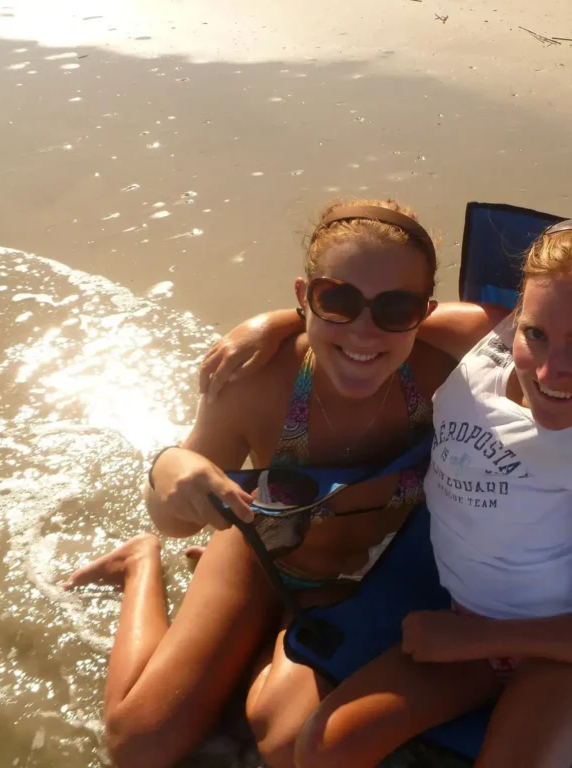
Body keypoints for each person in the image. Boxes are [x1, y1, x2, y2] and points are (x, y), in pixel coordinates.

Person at [205, 217, 572, 768]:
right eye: (537, 333)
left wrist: (471, 641)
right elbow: (375, 318)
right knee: (323, 749)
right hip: (467, 622)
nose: (551, 369)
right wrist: (274, 323)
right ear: (516, 320)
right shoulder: (483, 343)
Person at [61, 199, 460, 768]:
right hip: (259, 551)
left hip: (367, 580)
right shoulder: (256, 379)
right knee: (140, 747)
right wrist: (171, 469)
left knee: (284, 741)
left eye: (396, 307)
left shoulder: (449, 375)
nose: (364, 331)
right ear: (306, 297)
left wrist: (273, 319)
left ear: (427, 311)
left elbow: (549, 326)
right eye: (337, 300)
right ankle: (136, 564)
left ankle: (265, 637)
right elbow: (173, 518)